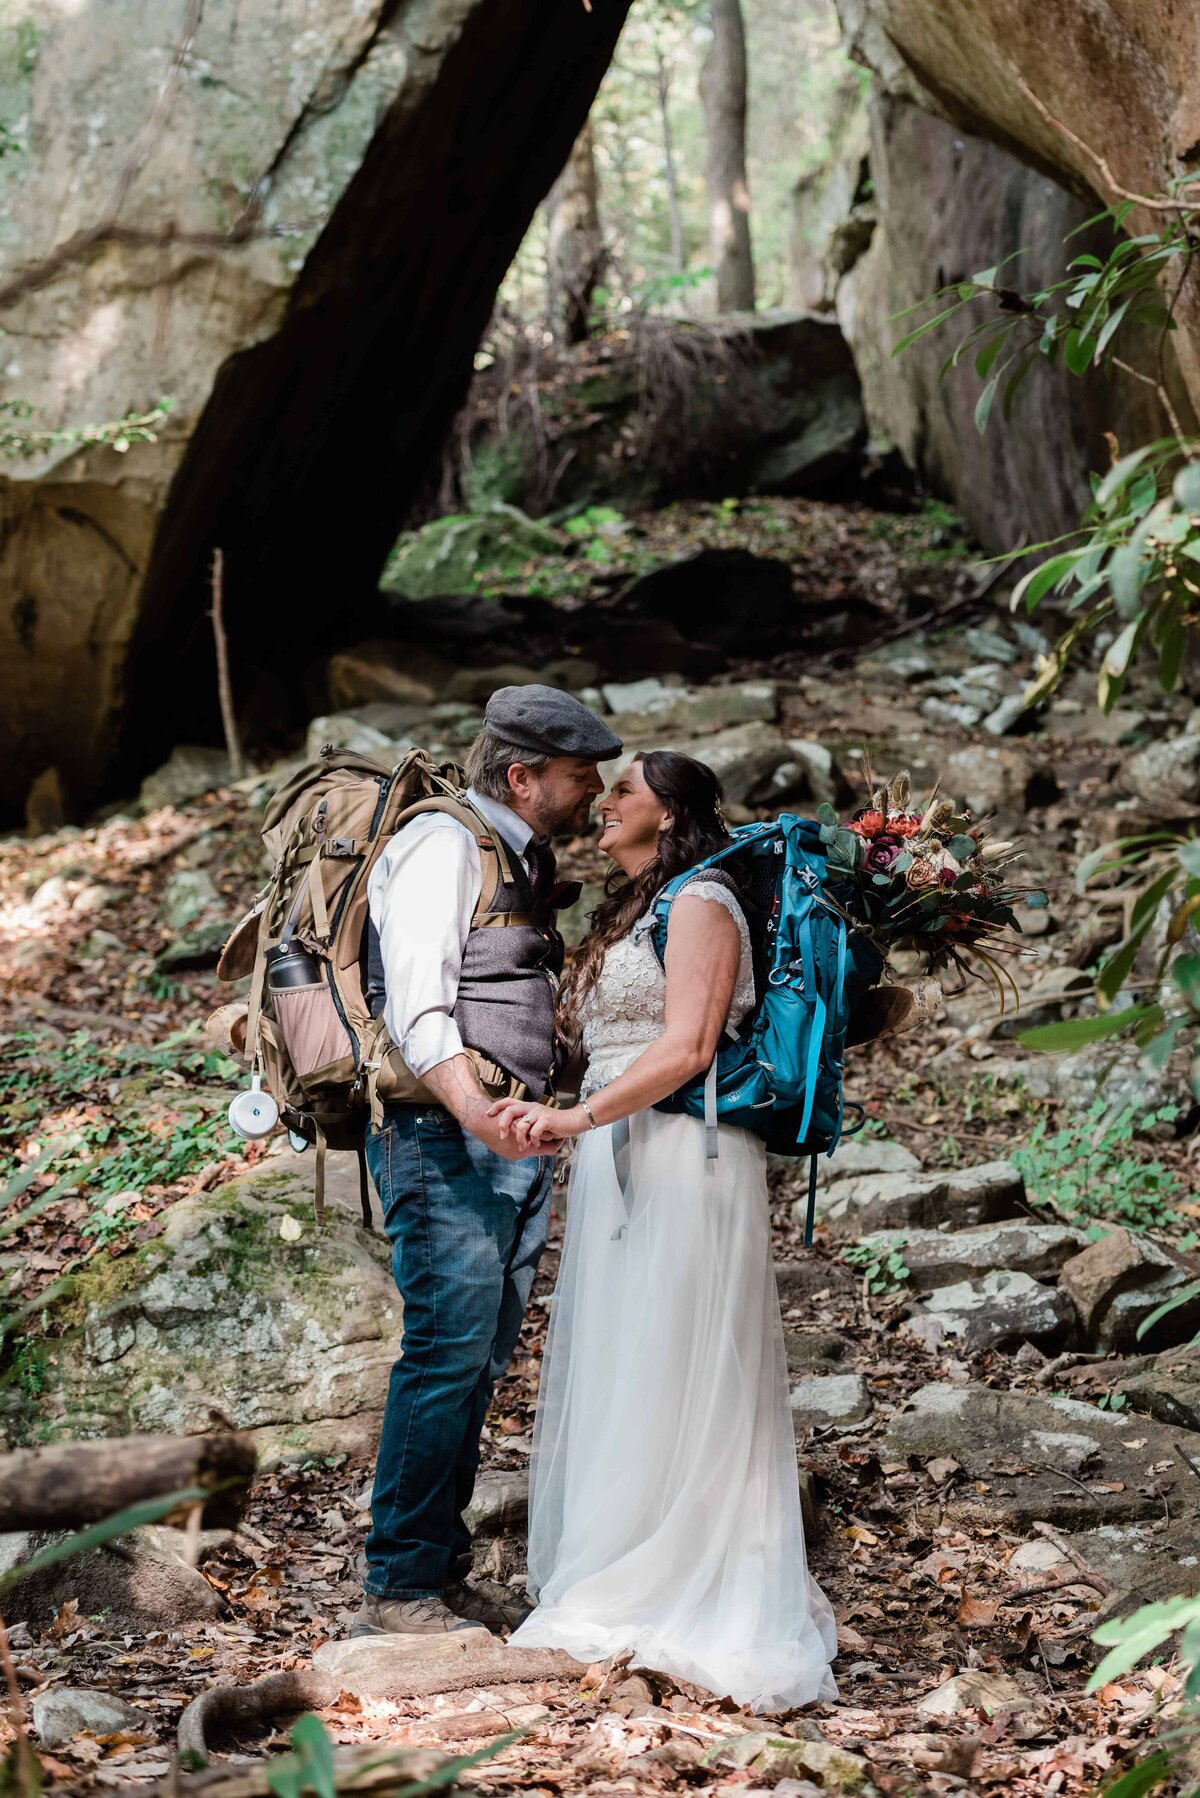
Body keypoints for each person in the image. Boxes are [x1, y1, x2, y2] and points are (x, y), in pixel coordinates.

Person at [490, 750, 839, 1711]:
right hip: (620, 1144)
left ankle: (693, 1575)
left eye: (625, 793)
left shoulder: (703, 901)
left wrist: (575, 1120)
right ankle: (624, 1549)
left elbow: (688, 1045)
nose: (603, 805)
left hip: (690, 1152)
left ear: (673, 811)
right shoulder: (638, 906)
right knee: (628, 1349)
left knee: (683, 1348)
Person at [351, 685, 622, 1639]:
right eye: (579, 779)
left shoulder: (519, 852)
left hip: (505, 1138)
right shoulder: (442, 846)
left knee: (479, 1359)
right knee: (444, 1351)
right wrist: (478, 1110)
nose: (595, 795)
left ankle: (439, 1569)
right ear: (523, 776)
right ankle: (398, 1586)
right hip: (442, 1136)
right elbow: (418, 1007)